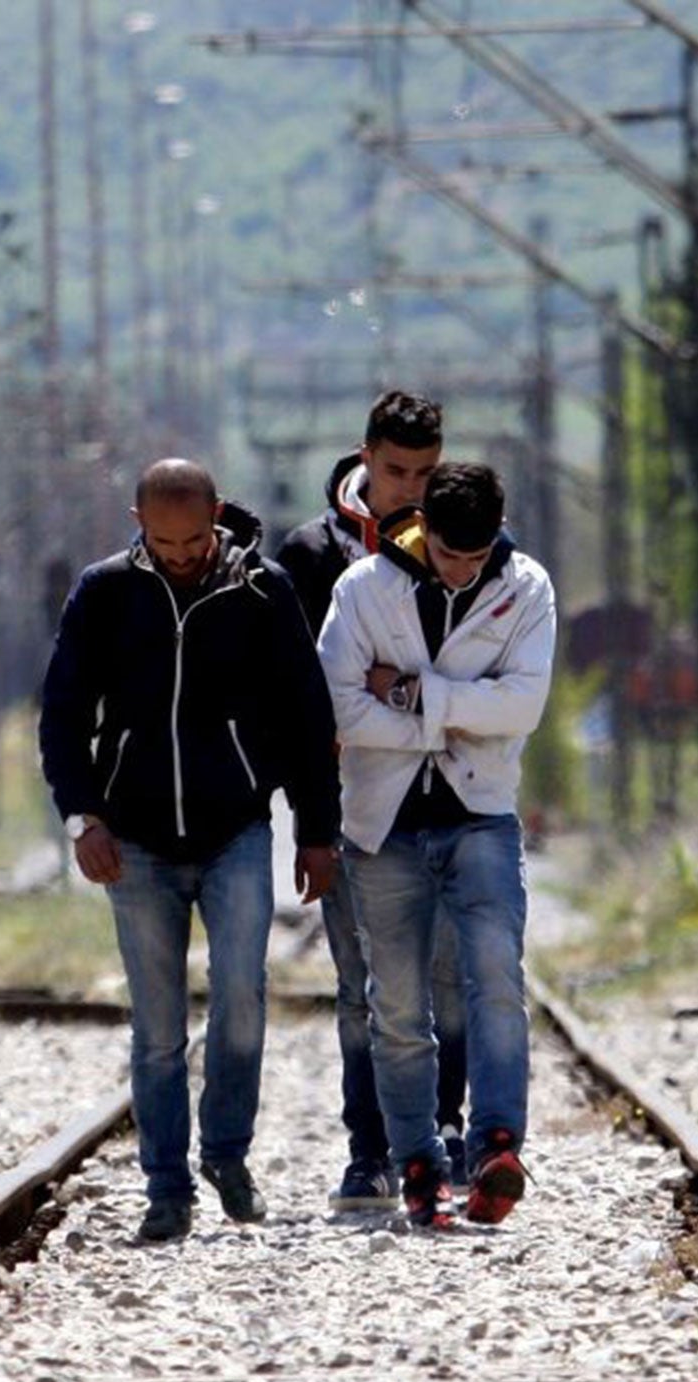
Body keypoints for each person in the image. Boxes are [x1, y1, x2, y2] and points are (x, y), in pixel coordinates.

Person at [40, 458, 340, 1243]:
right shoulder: (103, 592)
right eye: (164, 541)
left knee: (241, 997)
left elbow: (308, 715)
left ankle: (228, 1153)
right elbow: (64, 712)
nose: (181, 554)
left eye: (194, 538)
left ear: (217, 518)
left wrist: (316, 830)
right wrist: (82, 818)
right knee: (159, 1027)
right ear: (139, 523)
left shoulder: (263, 590)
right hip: (132, 841)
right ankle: (167, 1188)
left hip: (236, 831)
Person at [317, 461, 555, 1228]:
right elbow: (341, 709)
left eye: (477, 557)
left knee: (496, 980)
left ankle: (494, 1146)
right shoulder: (361, 590)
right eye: (451, 555)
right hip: (383, 825)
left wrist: (411, 692)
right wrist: (453, 713)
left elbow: (522, 705)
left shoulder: (527, 587)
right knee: (396, 1003)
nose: (464, 569)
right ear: (423, 529)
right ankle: (415, 1157)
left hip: (479, 813)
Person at [277, 389, 470, 1213]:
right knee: (361, 985)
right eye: (396, 472)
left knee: (447, 977)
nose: (412, 490)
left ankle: (443, 1132)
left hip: (445, 793)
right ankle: (369, 1151)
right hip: (352, 803)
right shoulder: (311, 553)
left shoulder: (460, 543)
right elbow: (299, 691)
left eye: (427, 473)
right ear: (364, 458)